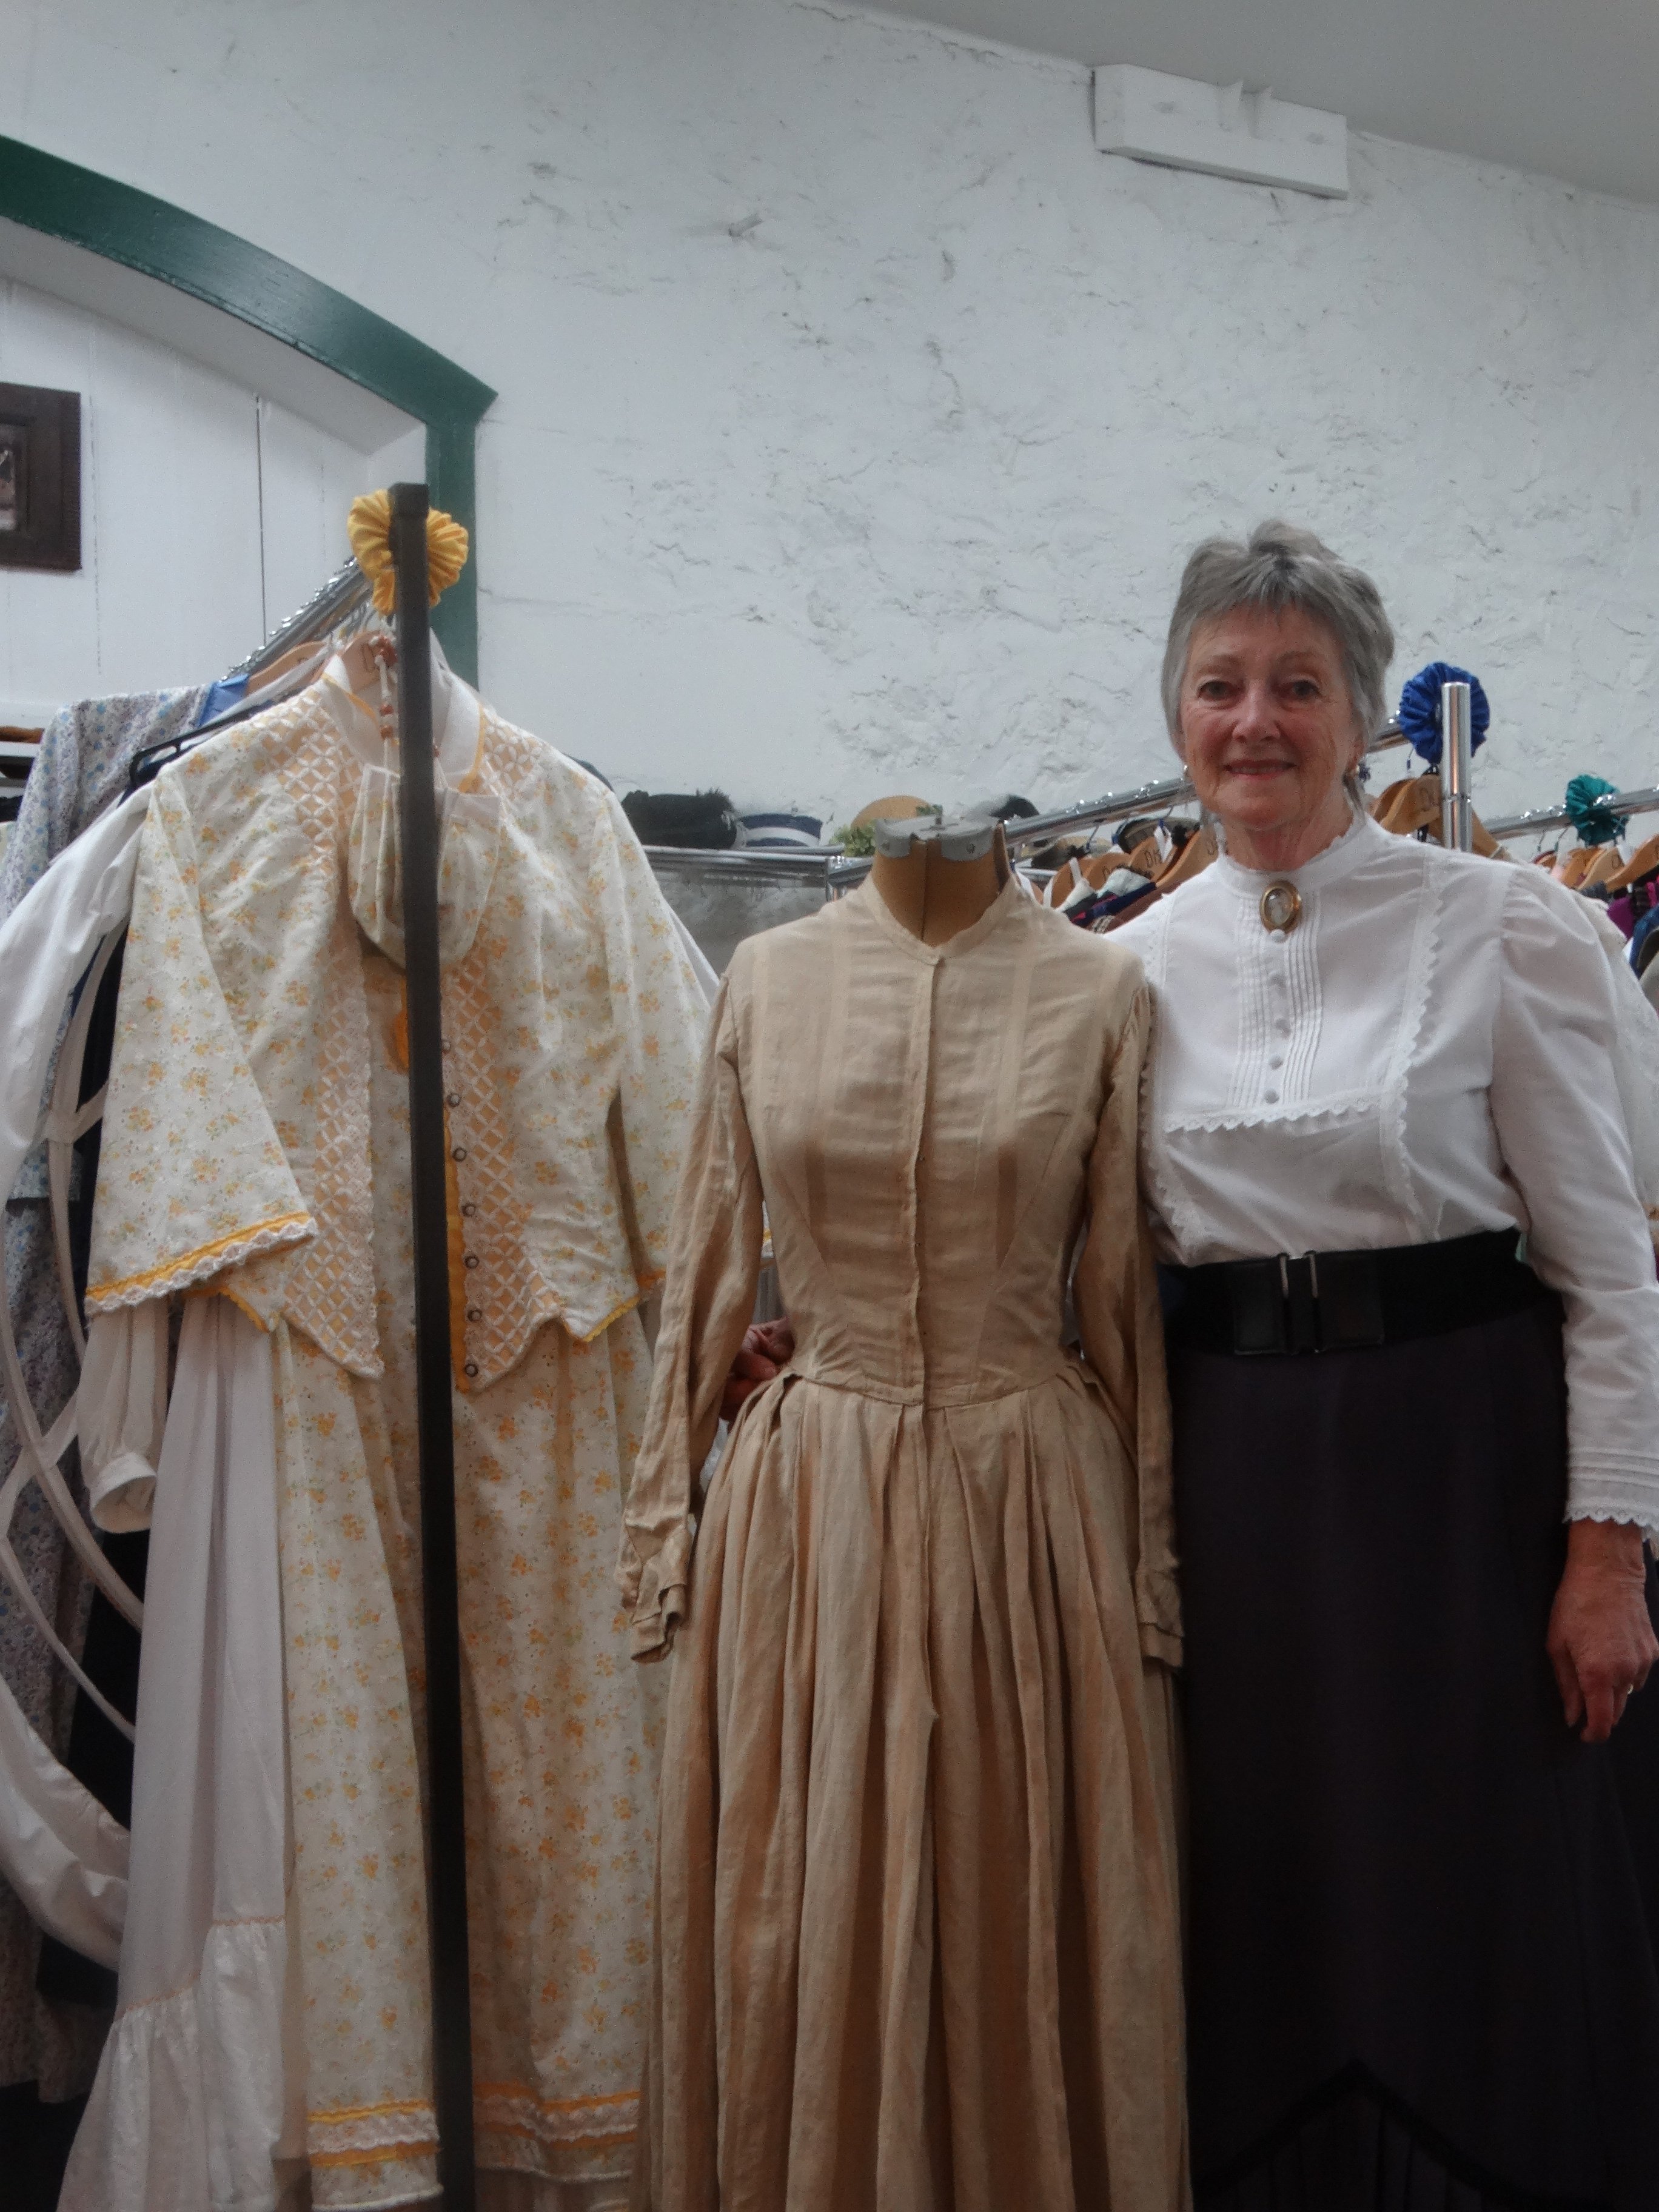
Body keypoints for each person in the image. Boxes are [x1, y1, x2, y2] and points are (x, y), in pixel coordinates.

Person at [728, 521, 1659, 2211]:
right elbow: (1066, 1259)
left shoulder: (1511, 931)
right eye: (1221, 686)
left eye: (1298, 687)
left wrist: (1609, 1549)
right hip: (1226, 1475)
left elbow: (1610, 1276)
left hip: (1465, 1473)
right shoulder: (1127, 973)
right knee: (1255, 1874)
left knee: (1478, 1878)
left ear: (1366, 719)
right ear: (1176, 719)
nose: (1256, 723)